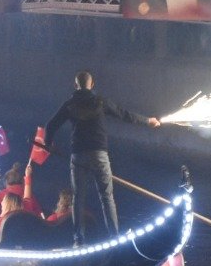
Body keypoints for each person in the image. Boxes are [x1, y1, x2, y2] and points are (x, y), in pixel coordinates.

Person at [44, 70, 161, 243]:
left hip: (78, 156)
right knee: (106, 197)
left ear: (76, 85)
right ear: (92, 84)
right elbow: (124, 114)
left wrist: (49, 144)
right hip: (99, 154)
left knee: (78, 198)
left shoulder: (69, 105)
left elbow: (50, 126)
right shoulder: (101, 102)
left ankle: (78, 239)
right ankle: (114, 238)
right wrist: (147, 121)